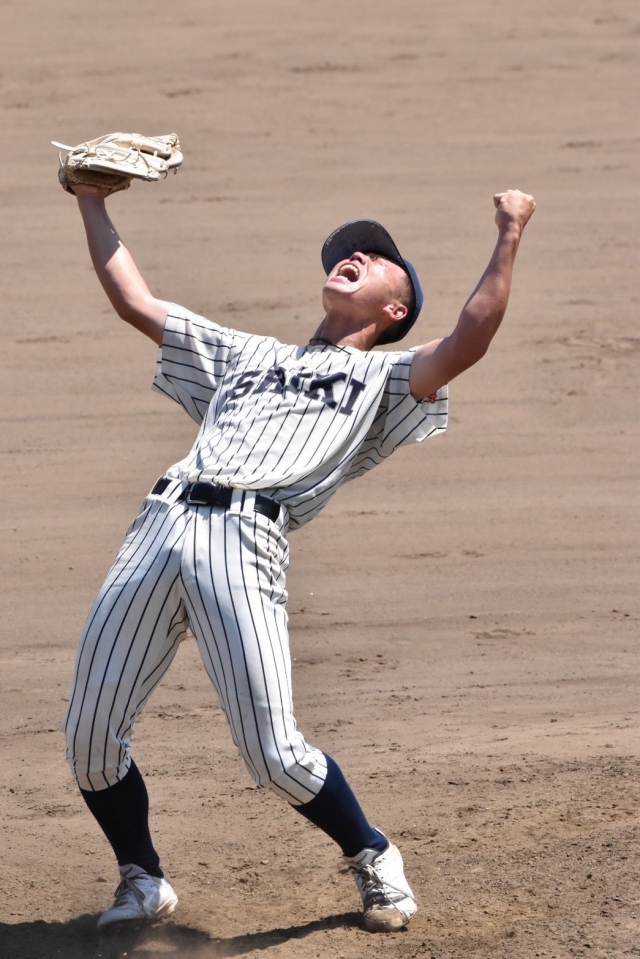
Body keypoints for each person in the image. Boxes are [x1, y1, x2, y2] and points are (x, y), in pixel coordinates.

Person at [62, 182, 536, 934]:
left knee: (274, 753)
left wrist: (509, 232)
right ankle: (142, 878)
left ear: (396, 310)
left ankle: (372, 851)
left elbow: (469, 339)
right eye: (349, 252)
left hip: (244, 541)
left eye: (376, 258)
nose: (355, 255)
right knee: (88, 738)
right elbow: (135, 301)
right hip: (157, 523)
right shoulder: (247, 353)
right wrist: (90, 199)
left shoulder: (386, 378)